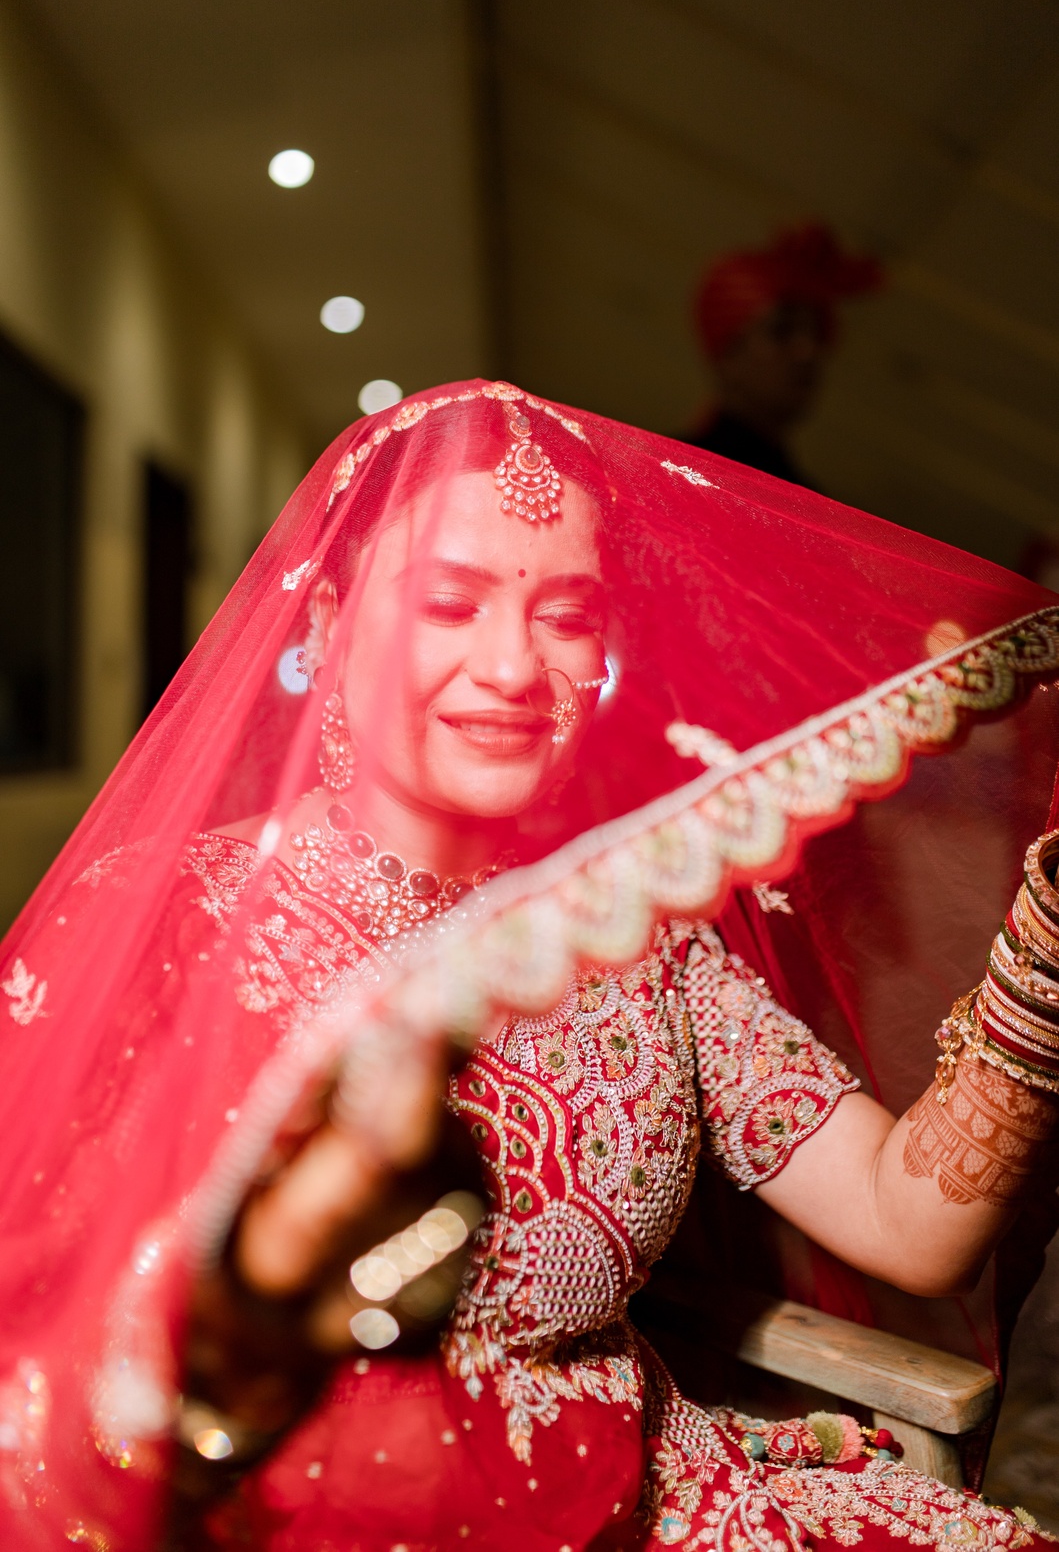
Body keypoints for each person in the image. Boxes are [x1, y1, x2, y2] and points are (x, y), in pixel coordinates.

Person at [0, 380, 1058, 1551]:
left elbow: (909, 1223)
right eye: (451, 604)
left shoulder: (636, 929)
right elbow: (43, 1355)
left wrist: (1045, 959)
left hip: (651, 1511)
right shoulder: (168, 919)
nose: (513, 666)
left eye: (567, 615)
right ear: (325, 628)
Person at [688, 223, 881, 487]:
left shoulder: (804, 500)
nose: (808, 351)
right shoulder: (668, 469)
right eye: (781, 331)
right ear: (728, 354)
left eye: (817, 335)